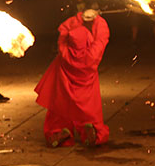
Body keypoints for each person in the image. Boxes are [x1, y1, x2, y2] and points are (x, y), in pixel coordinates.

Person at [34, 10, 110, 147]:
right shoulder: (92, 55)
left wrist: (79, 18)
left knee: (60, 110)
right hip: (86, 92)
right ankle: (89, 127)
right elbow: (102, 37)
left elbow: (64, 31)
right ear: (87, 40)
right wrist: (96, 19)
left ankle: (59, 130)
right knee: (89, 112)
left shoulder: (64, 52)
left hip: (65, 90)